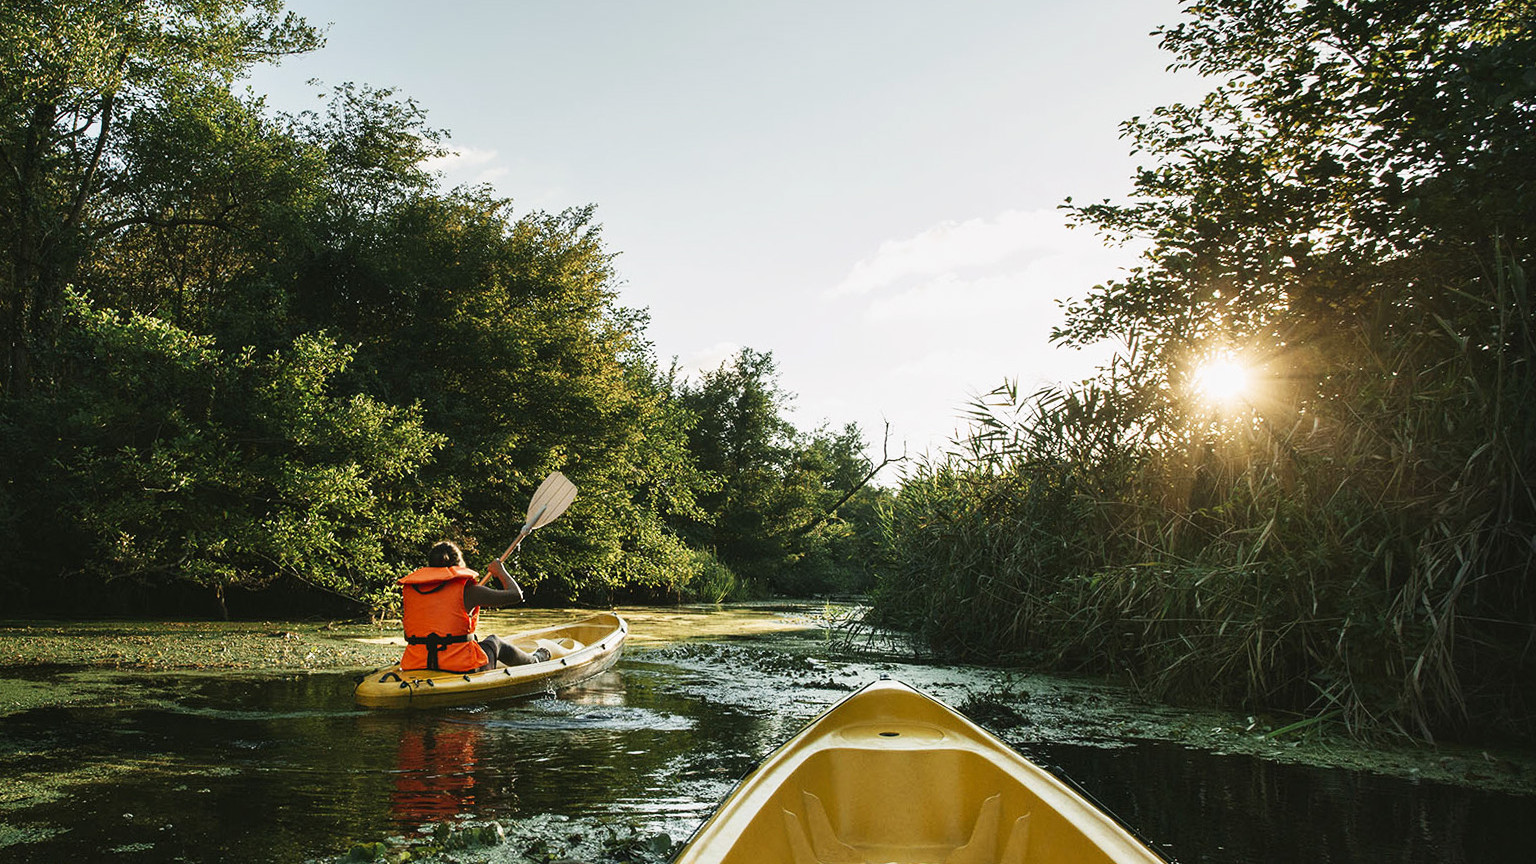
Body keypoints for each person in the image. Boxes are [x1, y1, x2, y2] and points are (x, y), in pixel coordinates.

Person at [398, 540, 549, 672]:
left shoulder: (412, 590)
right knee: (494, 642)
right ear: (459, 564)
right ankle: (534, 661)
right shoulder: (469, 591)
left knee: (472, 641)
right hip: (459, 665)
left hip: (418, 663)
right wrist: (500, 571)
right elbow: (516, 595)